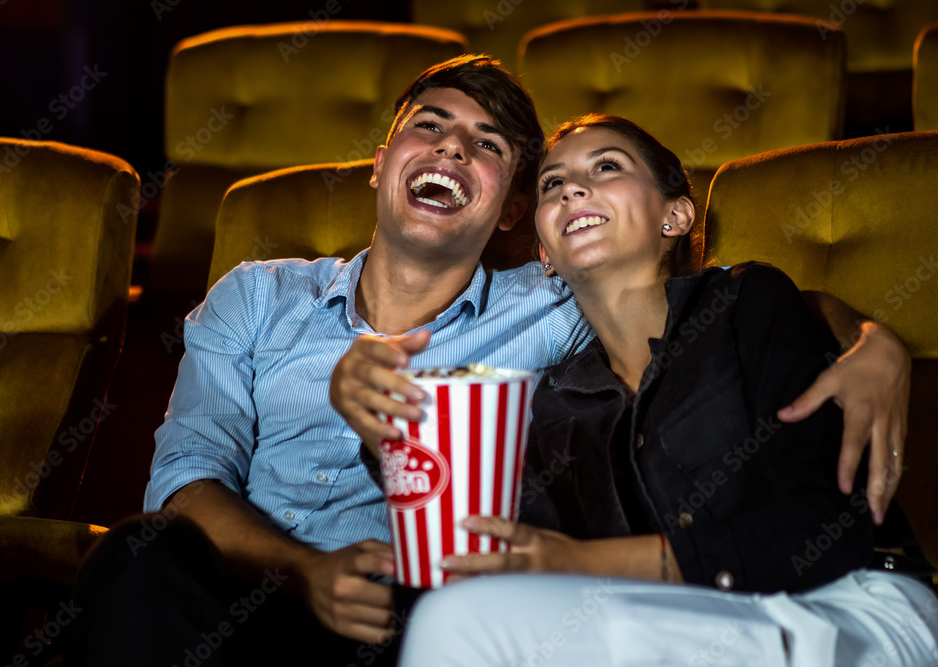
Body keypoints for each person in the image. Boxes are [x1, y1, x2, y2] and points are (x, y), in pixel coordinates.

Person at [69, 56, 911, 665]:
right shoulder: (254, 297)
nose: (449, 149)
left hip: (417, 615)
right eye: (427, 127)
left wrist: (873, 340)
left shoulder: (556, 310)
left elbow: (734, 305)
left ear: (512, 211)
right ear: (381, 164)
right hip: (242, 604)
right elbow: (184, 480)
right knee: (140, 557)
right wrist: (306, 569)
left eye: (488, 146)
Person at [391, 115, 938, 666]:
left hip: (853, 605)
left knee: (457, 622)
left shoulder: (747, 302)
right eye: (552, 185)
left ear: (675, 216)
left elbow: (823, 530)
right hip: (682, 623)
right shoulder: (552, 404)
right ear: (545, 254)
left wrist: (581, 564)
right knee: (462, 610)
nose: (573, 188)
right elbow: (504, 562)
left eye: (607, 167)